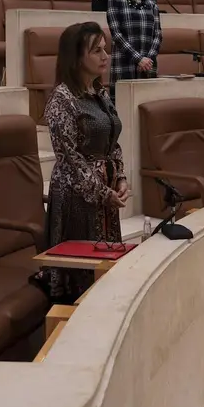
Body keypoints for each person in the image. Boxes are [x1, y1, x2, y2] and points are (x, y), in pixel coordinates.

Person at [42, 21, 129, 303]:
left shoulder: (100, 93)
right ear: (77, 57)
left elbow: (113, 142)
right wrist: (103, 192)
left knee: (106, 272)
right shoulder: (61, 100)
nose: (105, 56)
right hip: (77, 198)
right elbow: (70, 159)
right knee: (82, 278)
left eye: (105, 49)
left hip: (105, 195)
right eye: (96, 51)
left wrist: (120, 178)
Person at [106, 0, 162, 101]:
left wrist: (147, 60)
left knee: (147, 106)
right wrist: (138, 59)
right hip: (124, 64)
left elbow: (157, 35)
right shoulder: (115, 1)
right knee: (123, 106)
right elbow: (117, 35)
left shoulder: (152, 4)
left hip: (148, 66)